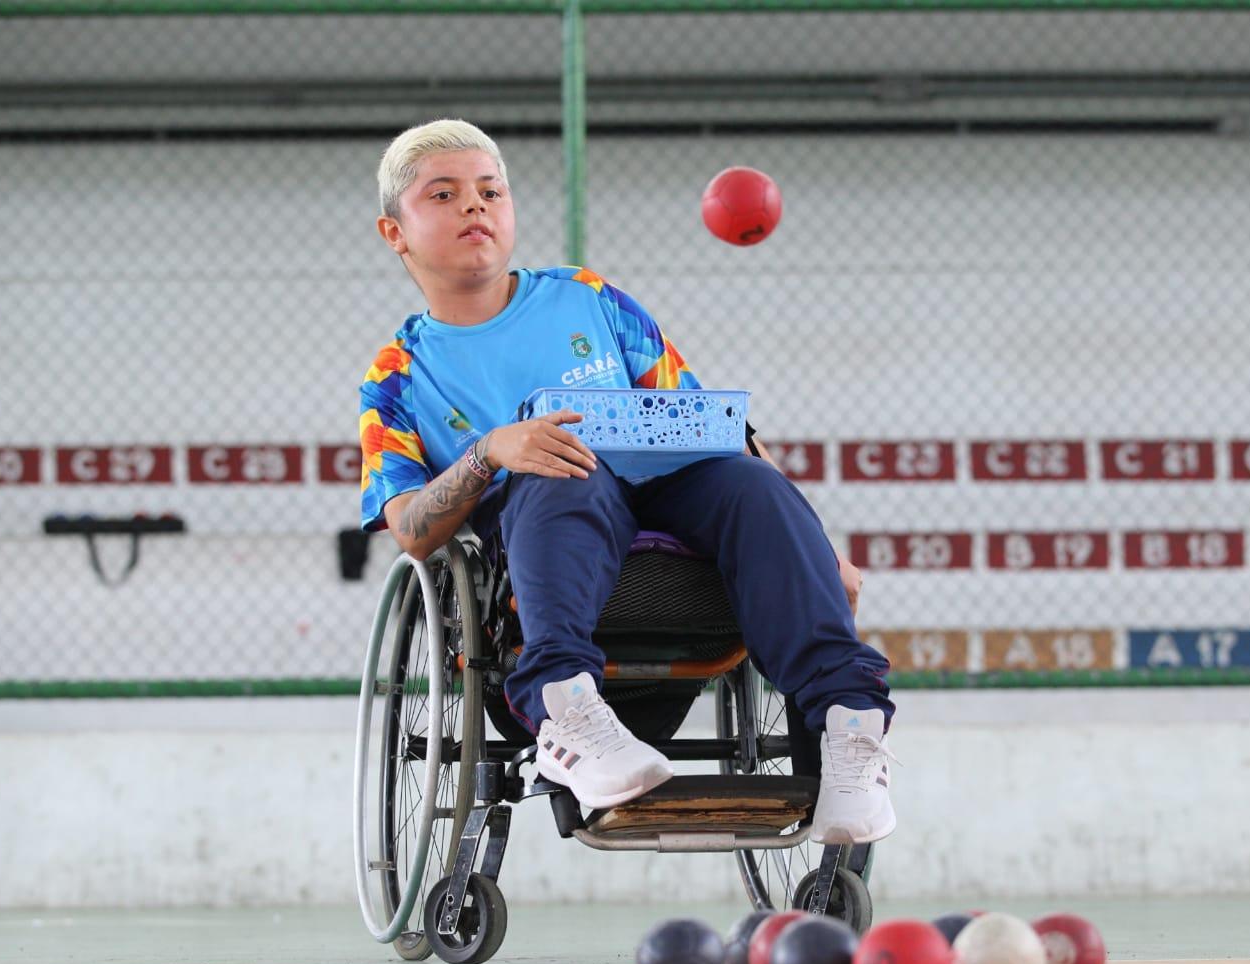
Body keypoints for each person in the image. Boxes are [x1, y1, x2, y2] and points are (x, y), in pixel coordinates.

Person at [358, 118, 895, 844]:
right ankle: (568, 709)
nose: (476, 208)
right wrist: (489, 452)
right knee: (560, 465)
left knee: (752, 485)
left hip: (670, 493)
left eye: (491, 192)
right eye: (445, 195)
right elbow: (409, 530)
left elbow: (713, 422)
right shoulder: (396, 374)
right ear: (396, 232)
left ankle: (851, 728)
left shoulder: (589, 297)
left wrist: (820, 552)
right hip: (552, 532)